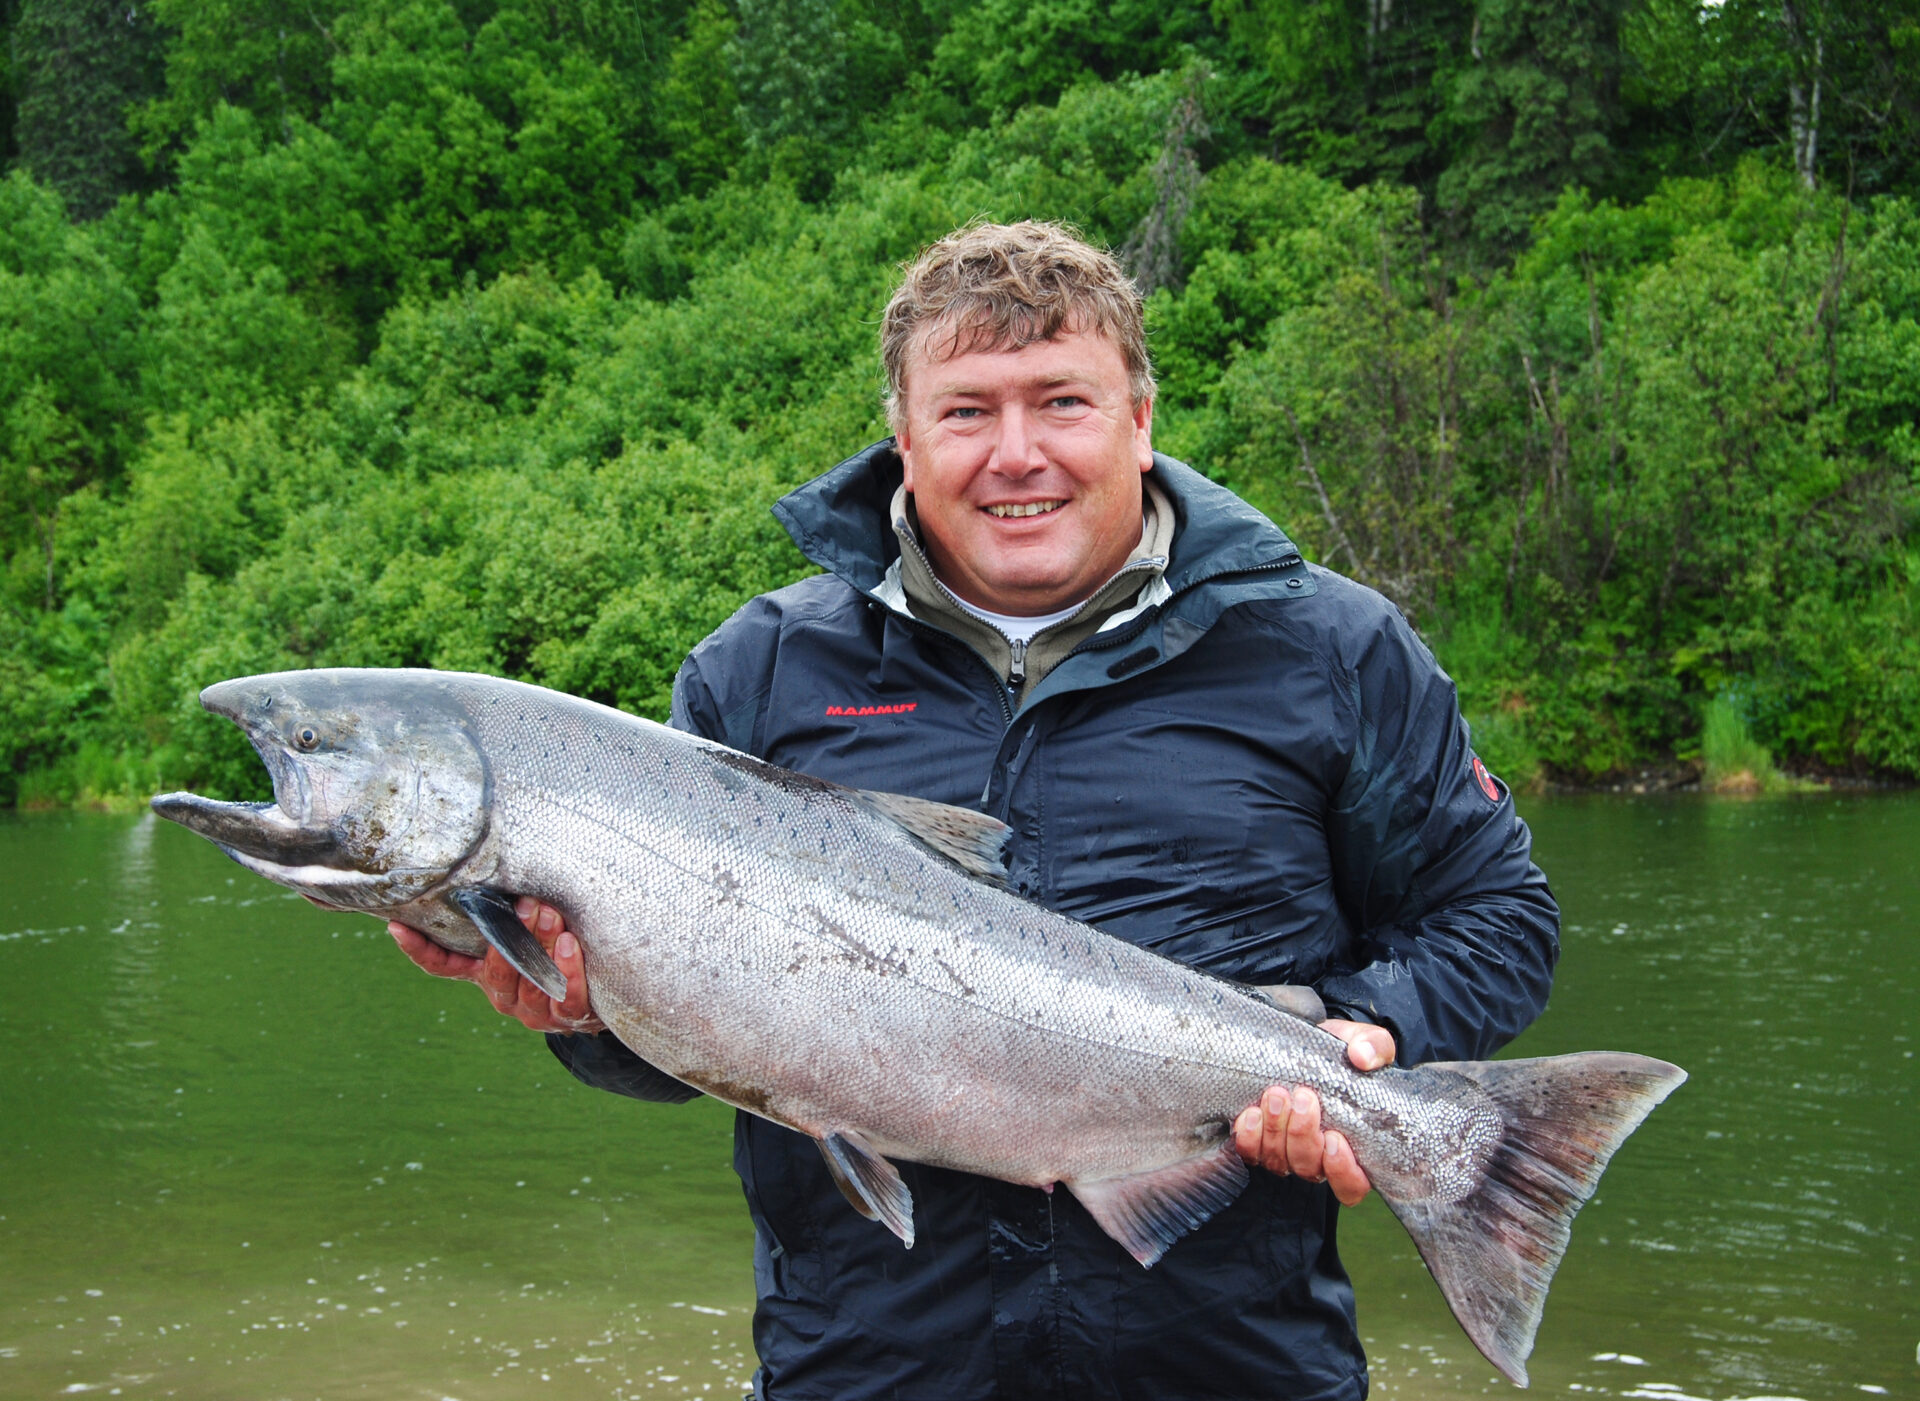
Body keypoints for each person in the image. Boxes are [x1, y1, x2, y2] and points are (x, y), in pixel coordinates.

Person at [391, 221, 1559, 1400]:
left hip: (1238, 1369)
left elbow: (1499, 919)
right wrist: (587, 1018)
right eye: (966, 412)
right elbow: (694, 1056)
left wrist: (1363, 1034)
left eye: (1061, 401)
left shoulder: (1335, 650)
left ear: (1141, 421)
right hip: (865, 1371)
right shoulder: (759, 673)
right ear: (903, 440)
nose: (1017, 454)